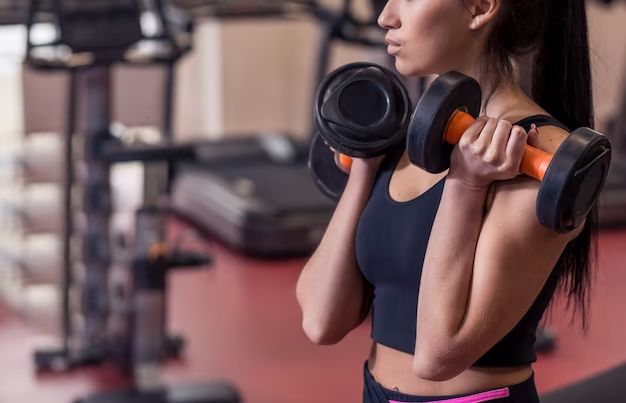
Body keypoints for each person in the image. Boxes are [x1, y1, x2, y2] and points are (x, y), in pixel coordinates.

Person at [296, 0, 597, 402]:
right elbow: (321, 320)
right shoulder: (411, 137)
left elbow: (439, 355)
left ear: (479, 7)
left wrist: (466, 186)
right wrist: (366, 162)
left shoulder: (542, 156)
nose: (386, 16)